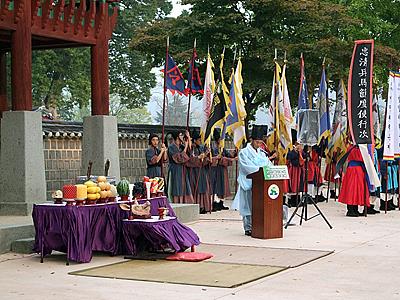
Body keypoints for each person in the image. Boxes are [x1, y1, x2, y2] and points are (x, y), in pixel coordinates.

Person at [232, 125, 273, 236]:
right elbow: (246, 167)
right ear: (252, 140)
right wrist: (260, 169)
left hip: (261, 184)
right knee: (248, 206)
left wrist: (266, 170)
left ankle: (259, 225)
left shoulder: (262, 153)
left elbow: (268, 165)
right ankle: (248, 227)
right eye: (257, 142)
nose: (259, 145)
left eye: (261, 142)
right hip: (248, 183)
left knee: (258, 206)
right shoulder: (243, 153)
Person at [338, 145, 370, 217]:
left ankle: (353, 209)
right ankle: (351, 210)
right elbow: (363, 159)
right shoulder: (359, 148)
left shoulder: (350, 147)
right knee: (354, 189)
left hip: (353, 169)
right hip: (357, 170)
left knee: (353, 190)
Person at [210, 129, 236, 211]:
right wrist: (229, 159)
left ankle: (221, 203)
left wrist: (235, 152)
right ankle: (214, 203)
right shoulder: (213, 147)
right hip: (215, 170)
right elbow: (217, 159)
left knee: (222, 187)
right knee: (216, 186)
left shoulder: (222, 148)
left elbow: (229, 156)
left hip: (222, 170)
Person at [187, 132, 212, 213]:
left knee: (203, 187)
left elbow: (203, 160)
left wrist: (207, 158)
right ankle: (197, 205)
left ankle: (203, 205)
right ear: (194, 140)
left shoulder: (200, 148)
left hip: (201, 171)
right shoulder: (192, 148)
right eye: (198, 140)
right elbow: (191, 160)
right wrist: (200, 157)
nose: (200, 141)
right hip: (194, 171)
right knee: (197, 188)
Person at [167, 131, 194, 204]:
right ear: (177, 137)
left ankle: (185, 203)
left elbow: (190, 153)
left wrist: (188, 138)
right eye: (181, 135)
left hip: (182, 169)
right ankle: (175, 203)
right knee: (176, 187)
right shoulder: (171, 147)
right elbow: (179, 159)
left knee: (184, 187)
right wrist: (185, 147)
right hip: (175, 169)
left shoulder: (181, 146)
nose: (182, 137)